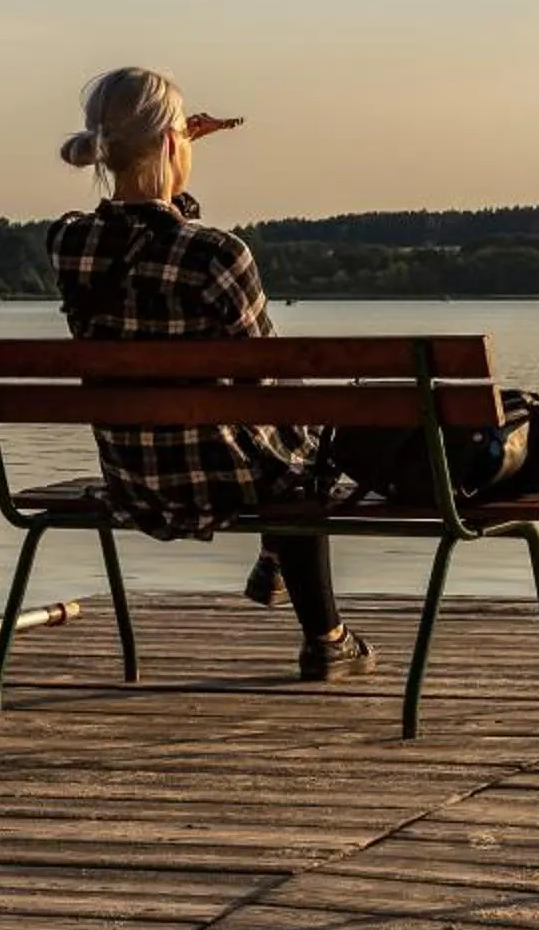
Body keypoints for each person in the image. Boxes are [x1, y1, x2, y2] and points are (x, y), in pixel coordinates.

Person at [48, 67, 371, 681]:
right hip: (226, 476)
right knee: (301, 460)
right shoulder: (222, 254)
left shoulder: (67, 244)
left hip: (131, 474)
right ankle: (325, 634)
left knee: (290, 448)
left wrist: (164, 162)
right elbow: (266, 375)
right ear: (174, 144)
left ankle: (283, 557)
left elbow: (142, 235)